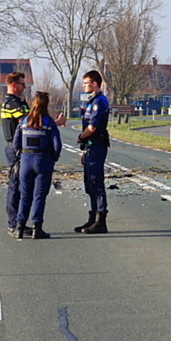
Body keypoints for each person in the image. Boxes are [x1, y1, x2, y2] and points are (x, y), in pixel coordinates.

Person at [12, 92, 62, 239]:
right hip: (43, 161)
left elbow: (16, 143)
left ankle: (19, 227)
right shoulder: (48, 122)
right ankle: (37, 228)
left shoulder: (24, 121)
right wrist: (54, 158)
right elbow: (57, 145)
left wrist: (21, 155)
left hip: (26, 161)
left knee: (24, 195)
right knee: (39, 196)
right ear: (46, 104)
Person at [76, 70, 111, 234]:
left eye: (86, 83)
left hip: (97, 144)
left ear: (95, 84)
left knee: (96, 182)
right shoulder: (91, 101)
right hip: (90, 146)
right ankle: (92, 217)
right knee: (89, 183)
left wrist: (80, 137)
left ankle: (100, 220)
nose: (84, 86)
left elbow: (92, 127)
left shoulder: (99, 102)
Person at [0, 72, 30, 237]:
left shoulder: (19, 102)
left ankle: (19, 222)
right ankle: (13, 224)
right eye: (22, 84)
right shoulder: (11, 104)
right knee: (16, 186)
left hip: (20, 148)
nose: (24, 87)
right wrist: (54, 123)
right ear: (13, 85)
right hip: (15, 148)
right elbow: (28, 122)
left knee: (21, 186)